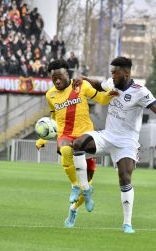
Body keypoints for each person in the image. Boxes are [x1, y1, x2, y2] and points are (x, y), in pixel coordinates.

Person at [72, 57, 156, 234]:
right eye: (111, 72)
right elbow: (99, 85)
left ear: (126, 73)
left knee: (125, 177)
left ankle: (127, 223)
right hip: (107, 136)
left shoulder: (140, 92)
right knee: (78, 144)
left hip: (127, 142)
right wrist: (84, 78)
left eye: (115, 72)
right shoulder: (113, 83)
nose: (112, 76)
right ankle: (85, 188)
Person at [35, 59, 118, 228]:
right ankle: (74, 185)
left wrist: (110, 95)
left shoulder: (81, 86)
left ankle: (73, 209)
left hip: (86, 137)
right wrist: (44, 138)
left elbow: (101, 99)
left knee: (87, 186)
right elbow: (54, 119)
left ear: (68, 74)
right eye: (53, 79)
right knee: (65, 150)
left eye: (60, 77)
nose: (57, 81)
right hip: (65, 134)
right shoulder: (50, 95)